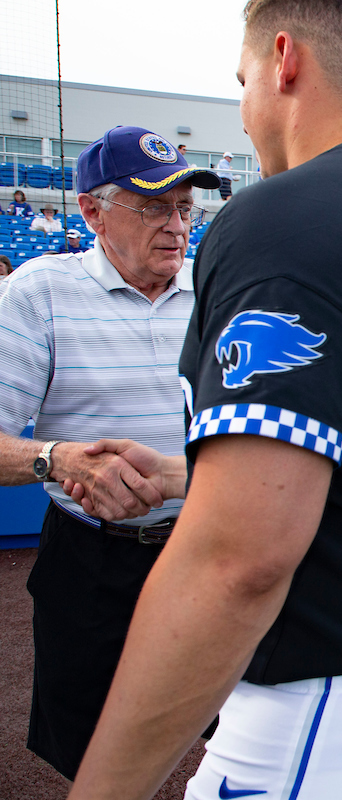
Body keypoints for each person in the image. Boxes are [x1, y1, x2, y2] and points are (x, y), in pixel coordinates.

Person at [68, 3, 342, 798]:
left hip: (333, 691)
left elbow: (240, 560)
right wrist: (187, 475)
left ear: (285, 58)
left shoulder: (296, 212)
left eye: (243, 79)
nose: (242, 105)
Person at [0, 125, 219, 780]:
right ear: (92, 212)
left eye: (184, 208)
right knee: (94, 757)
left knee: (246, 736)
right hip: (89, 559)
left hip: (208, 545)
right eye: (153, 207)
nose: (176, 226)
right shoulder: (39, 292)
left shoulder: (218, 289)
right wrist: (58, 460)